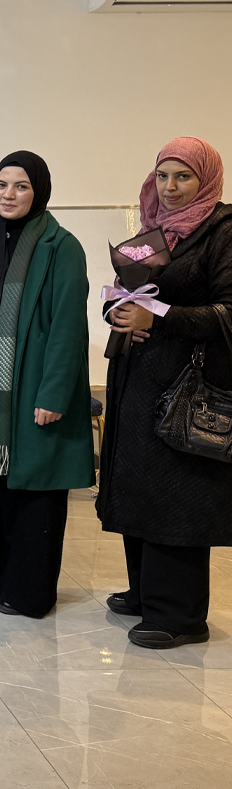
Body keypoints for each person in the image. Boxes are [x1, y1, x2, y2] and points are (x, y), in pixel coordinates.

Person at [98, 138, 231, 648]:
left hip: (185, 389)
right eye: (163, 176)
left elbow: (229, 313)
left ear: (206, 179)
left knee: (178, 496)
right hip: (138, 385)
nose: (170, 188)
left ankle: (180, 616)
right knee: (140, 488)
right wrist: (116, 310)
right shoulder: (152, 230)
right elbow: (124, 292)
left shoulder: (222, 231)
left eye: (183, 177)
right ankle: (146, 593)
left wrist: (160, 317)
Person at [0, 151, 95, 618]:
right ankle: (2, 579)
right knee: (3, 490)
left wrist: (53, 394)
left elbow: (69, 327)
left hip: (34, 386)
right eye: (1, 184)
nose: (8, 195)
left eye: (21, 186)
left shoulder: (61, 246)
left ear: (40, 190)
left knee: (38, 494)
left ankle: (30, 594)